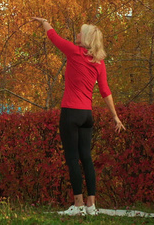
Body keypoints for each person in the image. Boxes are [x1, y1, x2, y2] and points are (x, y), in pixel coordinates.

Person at [31, 17, 126, 216]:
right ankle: (91, 205)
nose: (77, 35)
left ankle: (78, 204)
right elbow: (106, 91)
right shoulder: (98, 62)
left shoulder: (74, 52)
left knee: (73, 159)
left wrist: (45, 22)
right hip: (86, 116)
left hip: (70, 113)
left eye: (81, 33)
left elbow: (53, 36)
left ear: (87, 39)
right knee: (87, 158)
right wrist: (115, 116)